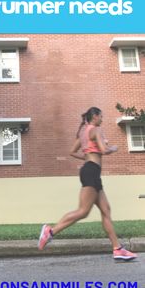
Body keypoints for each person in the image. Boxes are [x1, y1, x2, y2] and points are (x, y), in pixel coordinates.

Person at [38, 107, 137, 261]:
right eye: (101, 116)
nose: (102, 119)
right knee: (83, 211)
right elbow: (103, 150)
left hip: (91, 171)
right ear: (95, 116)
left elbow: (72, 151)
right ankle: (50, 231)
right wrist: (113, 149)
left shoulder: (83, 132)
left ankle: (117, 249)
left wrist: (87, 158)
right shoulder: (96, 130)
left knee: (106, 209)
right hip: (91, 171)